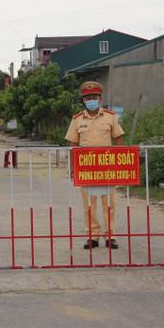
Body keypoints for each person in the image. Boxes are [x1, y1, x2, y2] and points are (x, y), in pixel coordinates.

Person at [65, 81, 124, 250]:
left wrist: (120, 164)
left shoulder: (110, 117)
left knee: (109, 204)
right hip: (86, 168)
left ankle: (110, 236)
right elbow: (73, 144)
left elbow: (118, 139)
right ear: (83, 100)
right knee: (89, 205)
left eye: (94, 97)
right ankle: (92, 236)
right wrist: (74, 168)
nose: (91, 99)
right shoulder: (77, 120)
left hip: (106, 166)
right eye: (88, 97)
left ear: (100, 98)